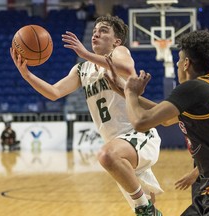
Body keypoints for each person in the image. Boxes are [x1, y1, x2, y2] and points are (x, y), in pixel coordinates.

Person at [10, 15, 163, 216]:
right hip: (118, 145)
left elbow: (127, 68)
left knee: (107, 156)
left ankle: (146, 209)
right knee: (144, 208)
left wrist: (84, 52)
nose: (96, 34)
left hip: (138, 134)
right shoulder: (82, 69)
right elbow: (55, 93)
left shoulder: (120, 52)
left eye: (103, 31)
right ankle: (148, 210)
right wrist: (27, 75)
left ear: (116, 40)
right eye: (94, 31)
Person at [106, 30, 209, 216]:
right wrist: (125, 92)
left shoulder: (194, 87)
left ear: (186, 63)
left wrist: (131, 94)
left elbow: (141, 122)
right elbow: (165, 118)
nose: (178, 65)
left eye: (179, 60)